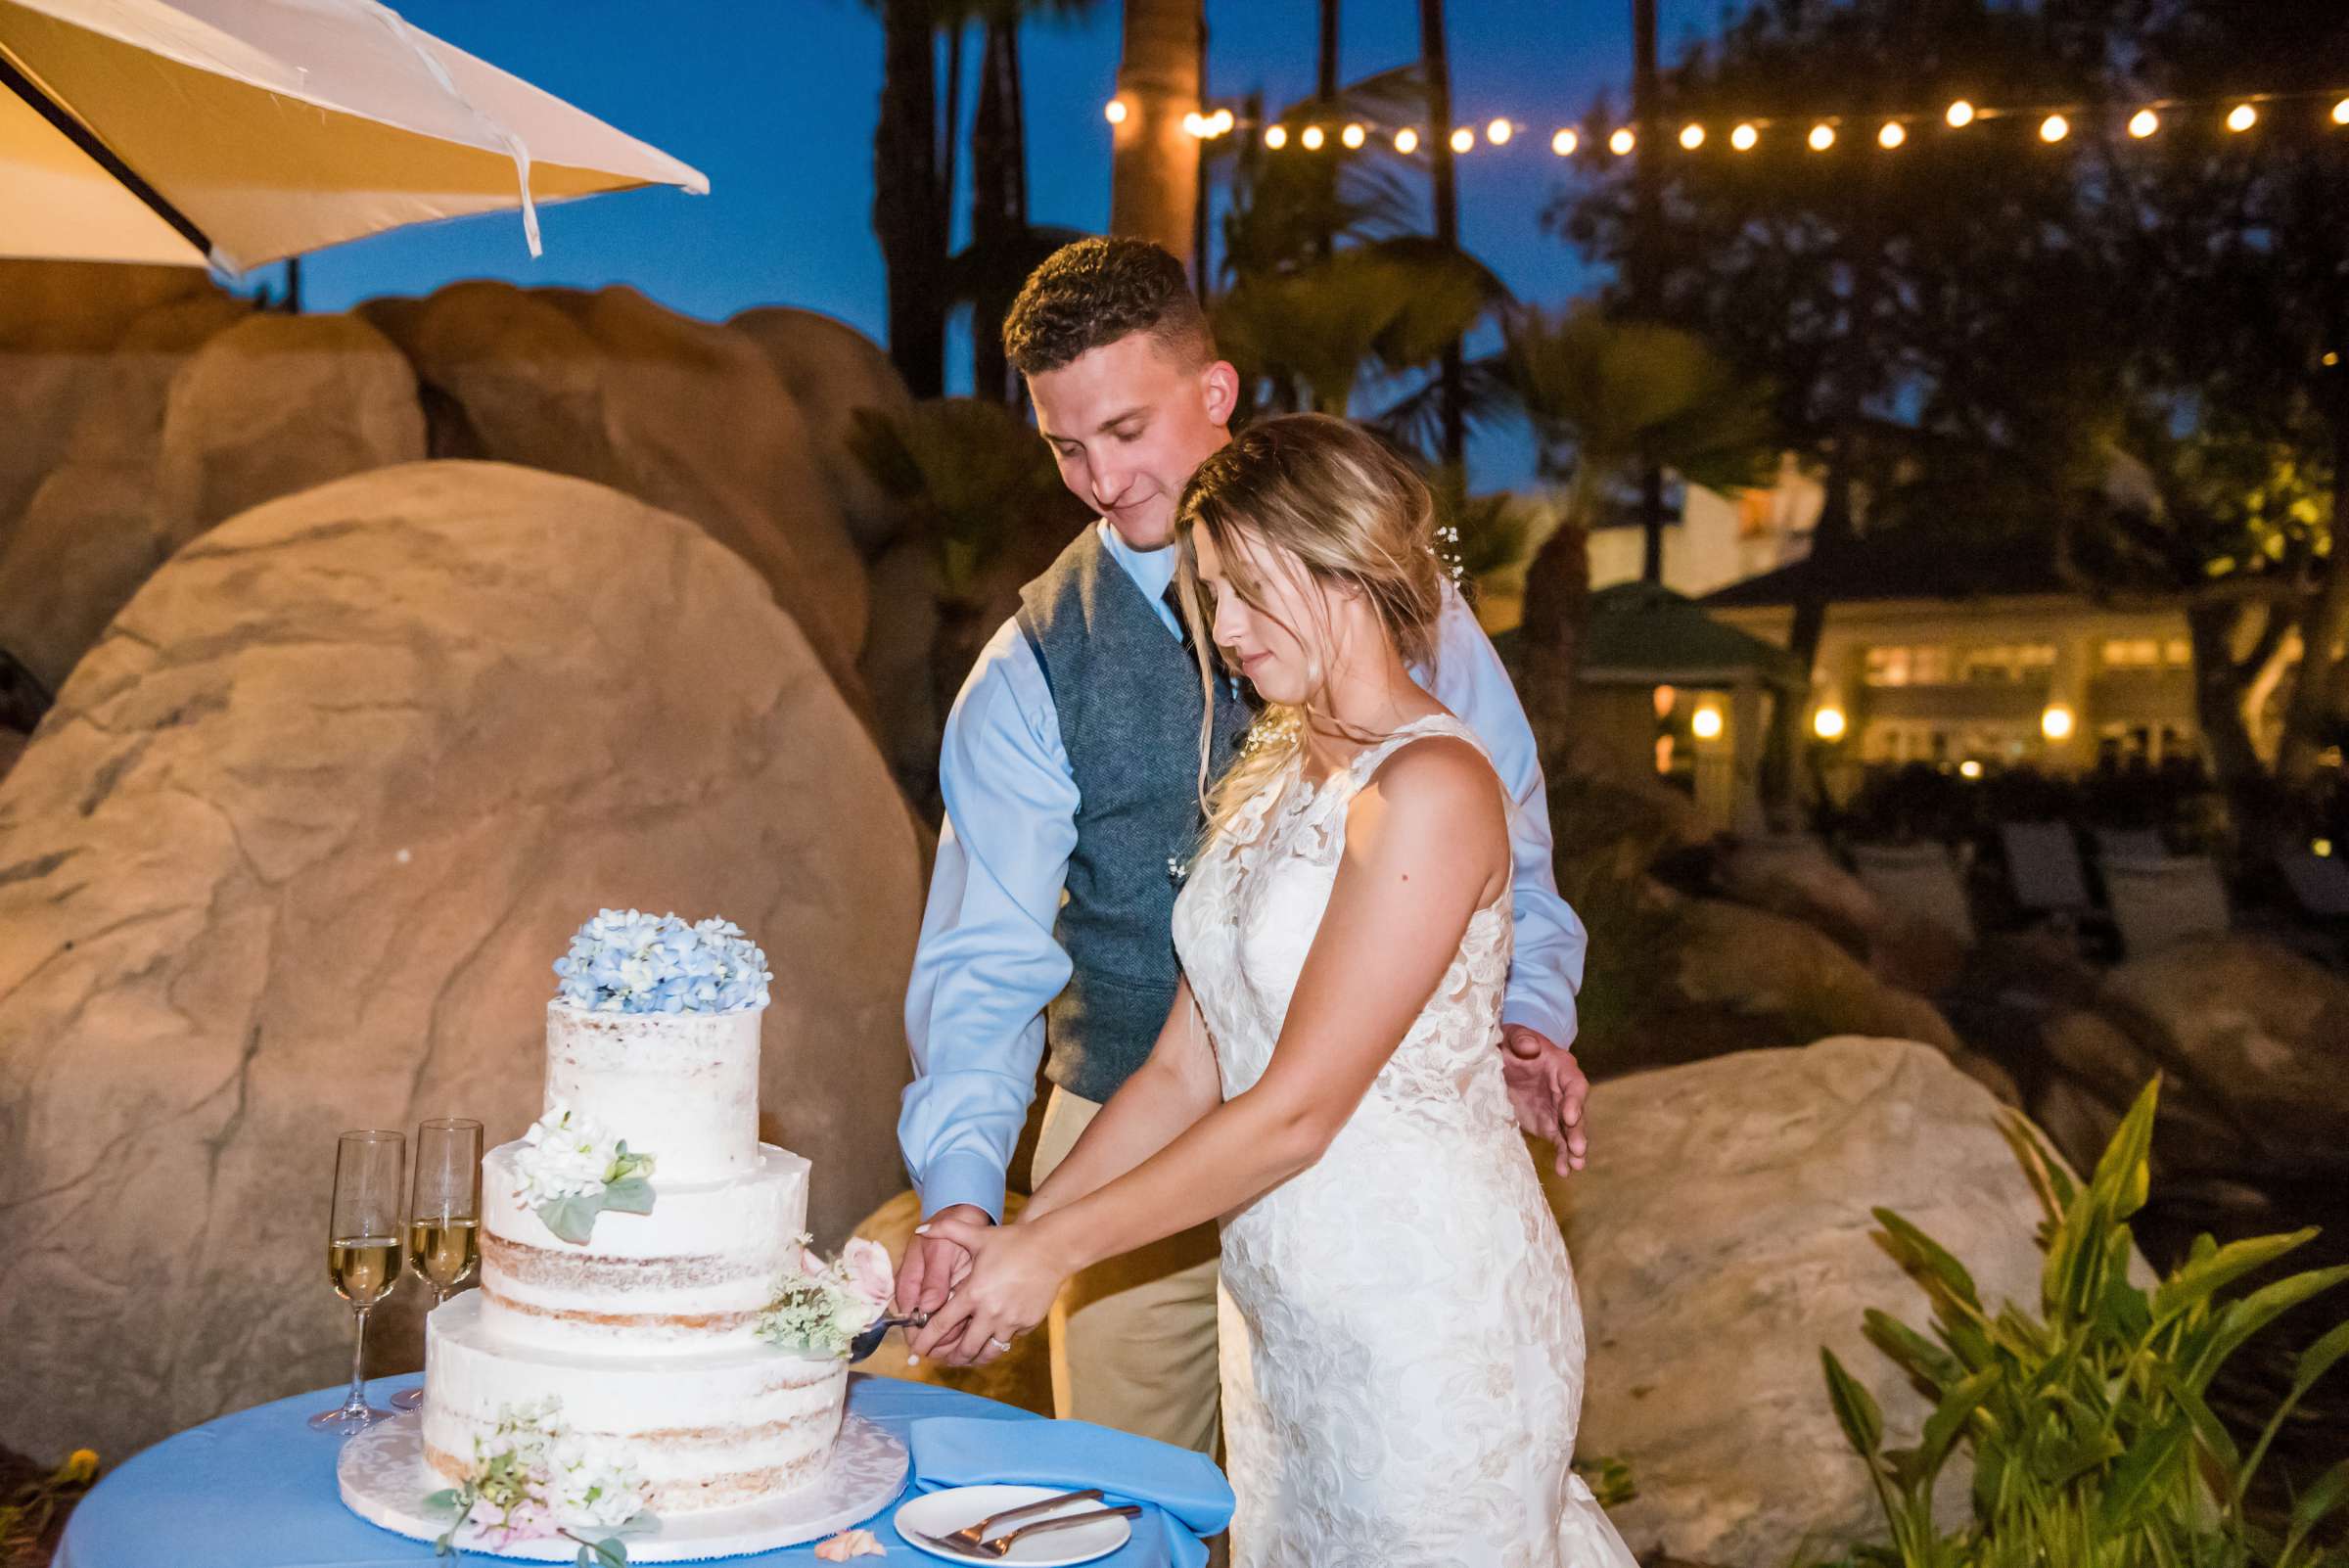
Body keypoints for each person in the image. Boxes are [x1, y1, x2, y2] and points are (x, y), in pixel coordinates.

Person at [896, 237, 1590, 1456]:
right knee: (1130, 1501)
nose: (1102, 480)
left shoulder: (1399, 613)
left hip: (1373, 1169)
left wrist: (1522, 1003)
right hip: (1127, 1117)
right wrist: (981, 1207)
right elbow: (985, 953)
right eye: (1067, 449)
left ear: (1212, 394)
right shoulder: (1032, 663)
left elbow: (1509, 841)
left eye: (1125, 430)